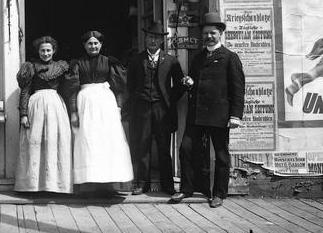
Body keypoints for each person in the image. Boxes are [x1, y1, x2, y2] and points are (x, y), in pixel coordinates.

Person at [170, 12, 245, 208]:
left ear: (220, 33)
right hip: (197, 114)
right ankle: (186, 189)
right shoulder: (198, 57)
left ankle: (219, 194)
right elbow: (194, 81)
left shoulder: (230, 58)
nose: (209, 37)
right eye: (206, 33)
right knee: (185, 148)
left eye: (213, 33)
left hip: (219, 116)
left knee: (221, 155)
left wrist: (236, 115)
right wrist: (189, 82)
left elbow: (238, 89)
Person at [65, 30, 134, 196]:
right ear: (84, 45)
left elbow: (118, 88)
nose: (93, 46)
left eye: (96, 43)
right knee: (88, 141)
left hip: (106, 104)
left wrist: (118, 107)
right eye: (90, 43)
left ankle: (109, 185)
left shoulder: (110, 62)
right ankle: (89, 184)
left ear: (101, 44)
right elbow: (72, 89)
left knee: (108, 141)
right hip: (85, 103)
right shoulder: (77, 63)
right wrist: (74, 112)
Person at [128, 21, 185, 196]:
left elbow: (181, 84)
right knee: (143, 146)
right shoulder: (137, 60)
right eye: (150, 37)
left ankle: (167, 185)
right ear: (145, 39)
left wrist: (169, 99)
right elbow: (130, 85)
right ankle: (142, 184)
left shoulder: (170, 61)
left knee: (163, 147)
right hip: (142, 108)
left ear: (162, 41)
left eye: (157, 38)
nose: (153, 41)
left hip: (163, 109)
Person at [14, 36, 72, 193]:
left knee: (55, 142)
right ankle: (33, 186)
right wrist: (23, 114)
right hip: (36, 105)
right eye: (42, 50)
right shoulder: (31, 67)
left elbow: (68, 90)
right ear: (38, 52)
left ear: (53, 51)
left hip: (55, 106)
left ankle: (55, 185)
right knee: (35, 143)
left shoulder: (61, 67)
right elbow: (25, 92)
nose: (45, 53)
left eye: (48, 50)